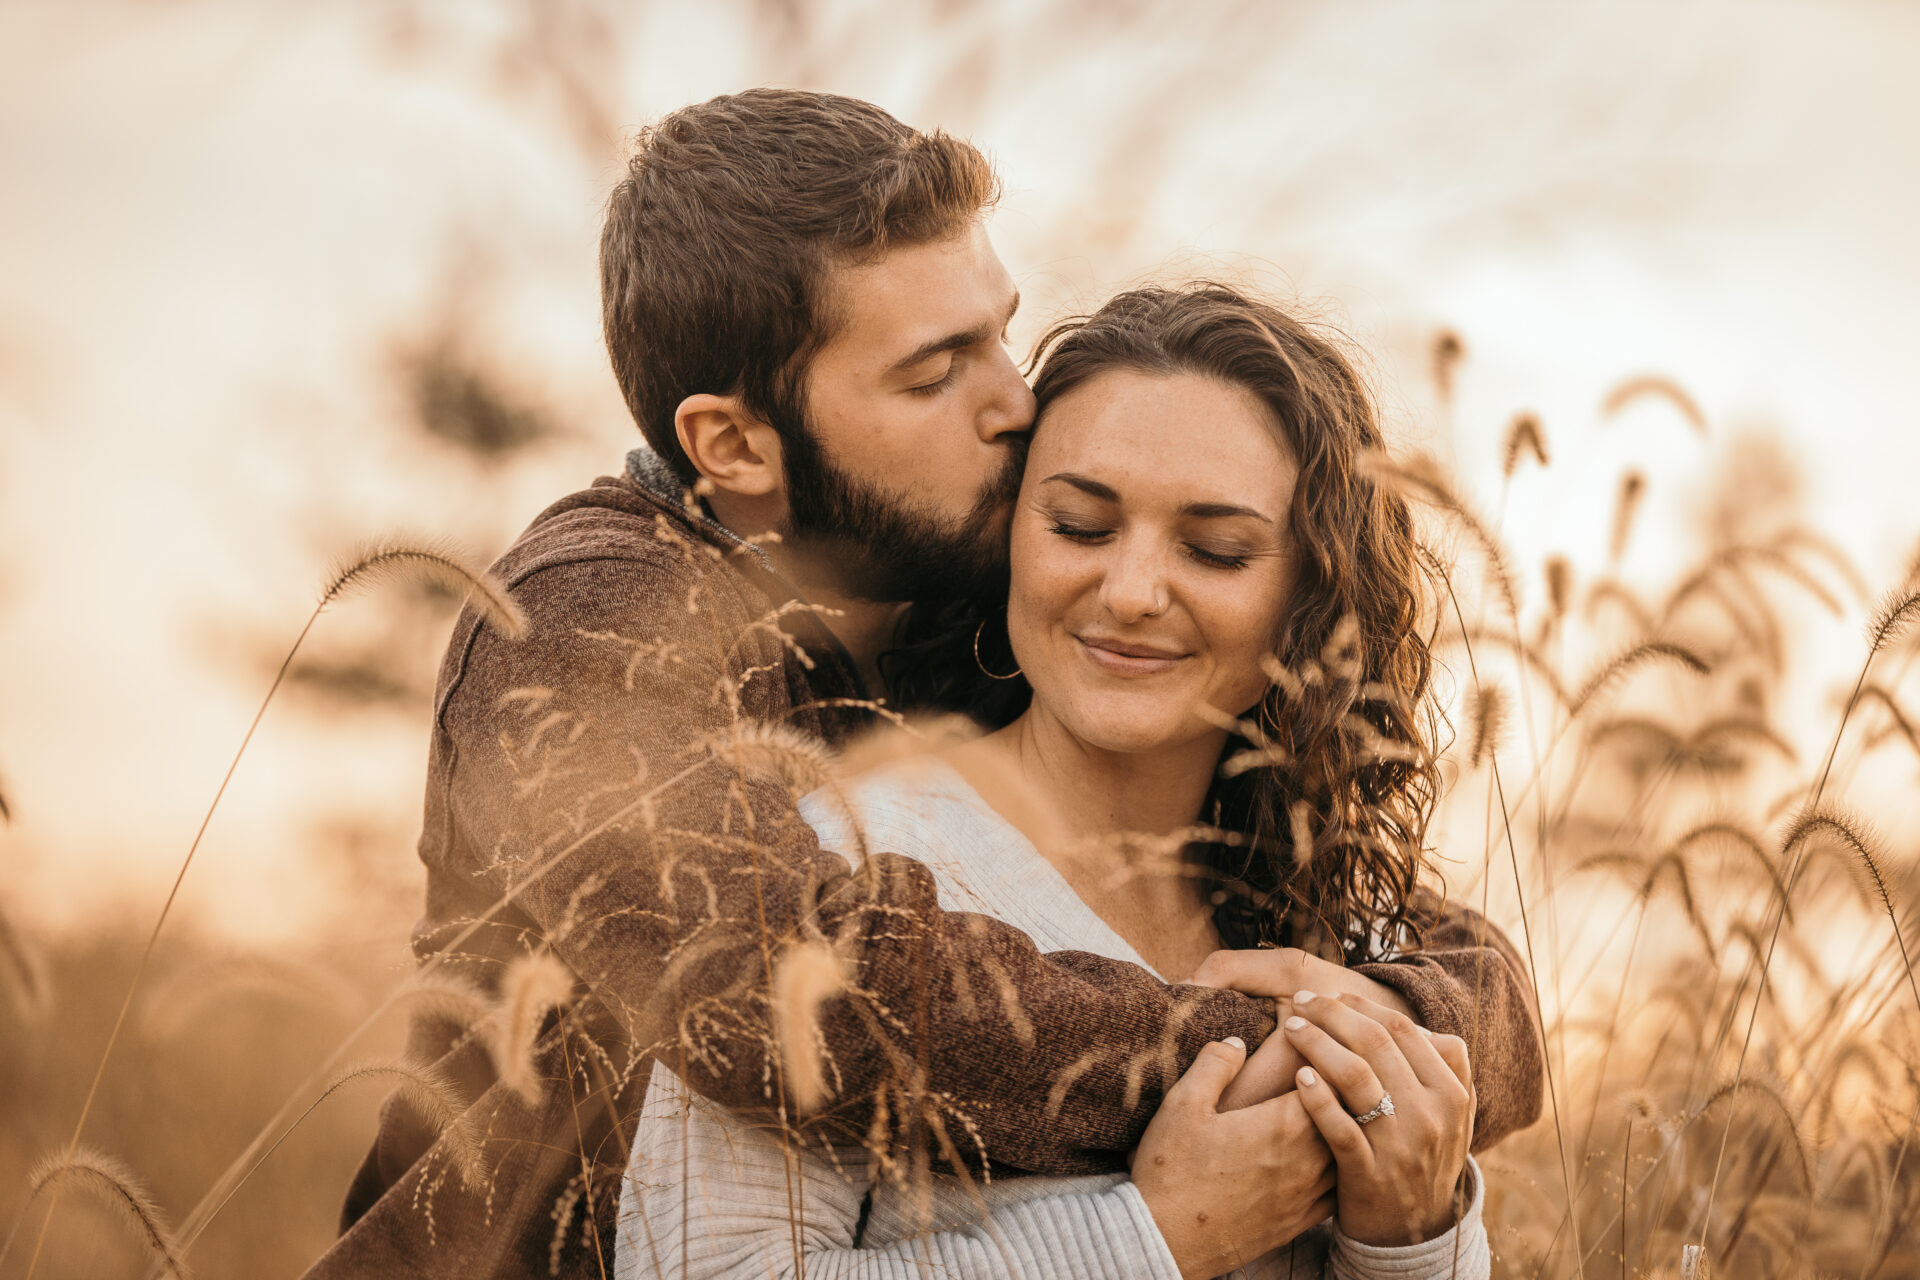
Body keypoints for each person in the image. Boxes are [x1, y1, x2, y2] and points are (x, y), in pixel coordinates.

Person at [304, 91, 1542, 1279]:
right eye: (935, 370)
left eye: (999, 329)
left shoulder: (971, 588)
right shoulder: (578, 623)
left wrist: (1421, 1037)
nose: (1015, 400)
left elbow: (1368, 911)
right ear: (733, 447)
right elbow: (813, 990)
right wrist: (1275, 1060)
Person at [613, 283, 1495, 1278]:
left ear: (1311, 594)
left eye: (1215, 549)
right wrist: (1149, 1238)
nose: (1128, 592)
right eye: (1079, 526)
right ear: (1011, 539)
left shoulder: (1348, 921)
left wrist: (1411, 1234)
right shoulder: (838, 868)